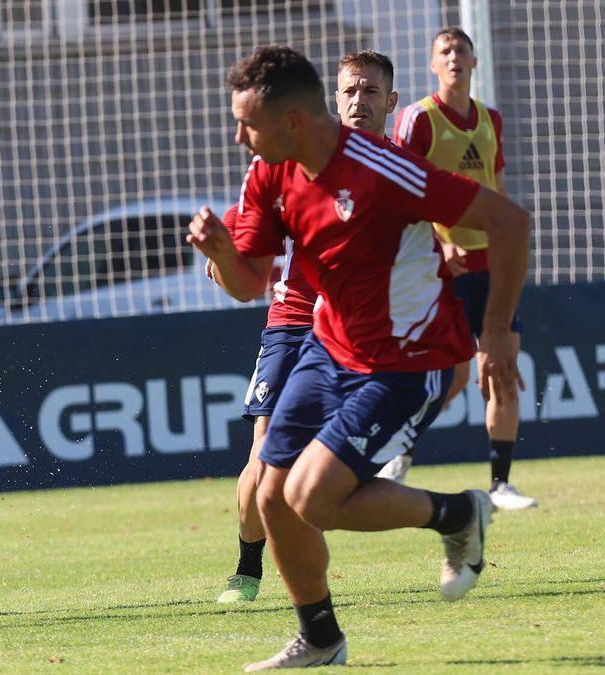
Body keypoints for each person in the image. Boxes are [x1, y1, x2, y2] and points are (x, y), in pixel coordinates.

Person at [187, 46, 529, 669]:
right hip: (329, 348)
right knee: (270, 493)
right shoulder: (269, 172)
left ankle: (458, 513)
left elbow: (509, 222)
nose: (238, 137)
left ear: (293, 121)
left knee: (312, 497)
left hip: (410, 360)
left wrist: (499, 330)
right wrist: (221, 251)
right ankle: (321, 639)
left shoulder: (384, 169)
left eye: (247, 124)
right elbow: (248, 283)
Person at [212, 50, 398, 605]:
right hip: (293, 324)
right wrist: (227, 251)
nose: (358, 101)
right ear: (332, 99)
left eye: (369, 91)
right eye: (349, 91)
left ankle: (313, 587)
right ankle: (247, 570)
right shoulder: (297, 156)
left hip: (360, 334)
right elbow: (247, 228)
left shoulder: (400, 170)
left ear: (389, 101)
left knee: (322, 475)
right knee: (264, 454)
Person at [385, 28, 537, 510]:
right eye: (444, 52)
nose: (454, 58)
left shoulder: (490, 119)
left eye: (461, 51)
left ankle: (501, 485)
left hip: (491, 265)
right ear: (433, 65)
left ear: (474, 61)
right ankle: (399, 454)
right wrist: (436, 243)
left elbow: (497, 190)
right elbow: (402, 193)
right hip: (445, 270)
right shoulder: (418, 119)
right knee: (447, 379)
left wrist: (509, 251)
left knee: (503, 369)